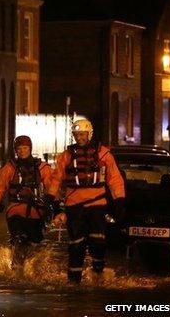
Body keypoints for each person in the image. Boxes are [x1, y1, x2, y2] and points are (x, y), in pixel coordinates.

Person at [45, 119, 126, 284]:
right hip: (75, 206)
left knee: (98, 241)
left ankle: (98, 271)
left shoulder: (103, 154)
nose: (79, 137)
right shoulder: (66, 156)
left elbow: (114, 179)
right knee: (76, 244)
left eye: (82, 134)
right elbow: (56, 179)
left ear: (89, 134)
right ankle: (74, 281)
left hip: (97, 204)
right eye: (76, 134)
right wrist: (51, 198)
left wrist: (119, 200)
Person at [0, 135, 54, 267]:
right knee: (19, 238)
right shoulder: (9, 168)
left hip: (36, 211)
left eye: (25, 148)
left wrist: (54, 206)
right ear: (15, 150)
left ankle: (29, 269)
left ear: (30, 149)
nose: (22, 151)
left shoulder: (42, 168)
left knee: (34, 243)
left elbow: (52, 187)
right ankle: (17, 269)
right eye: (19, 148)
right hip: (15, 210)